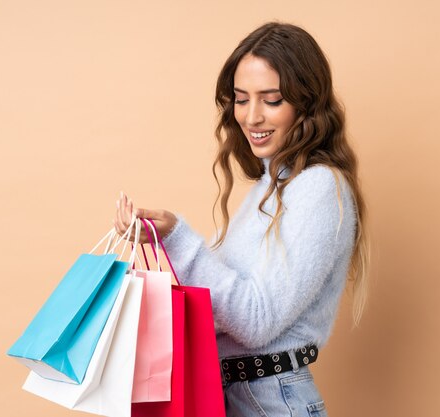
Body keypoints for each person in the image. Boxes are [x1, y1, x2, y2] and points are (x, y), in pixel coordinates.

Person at [113, 21, 369, 417]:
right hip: (237, 394)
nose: (251, 118)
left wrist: (180, 238)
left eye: (271, 100)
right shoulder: (269, 187)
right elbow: (220, 303)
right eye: (241, 98)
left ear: (306, 102)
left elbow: (255, 320)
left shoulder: (318, 188)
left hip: (270, 399)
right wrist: (158, 241)